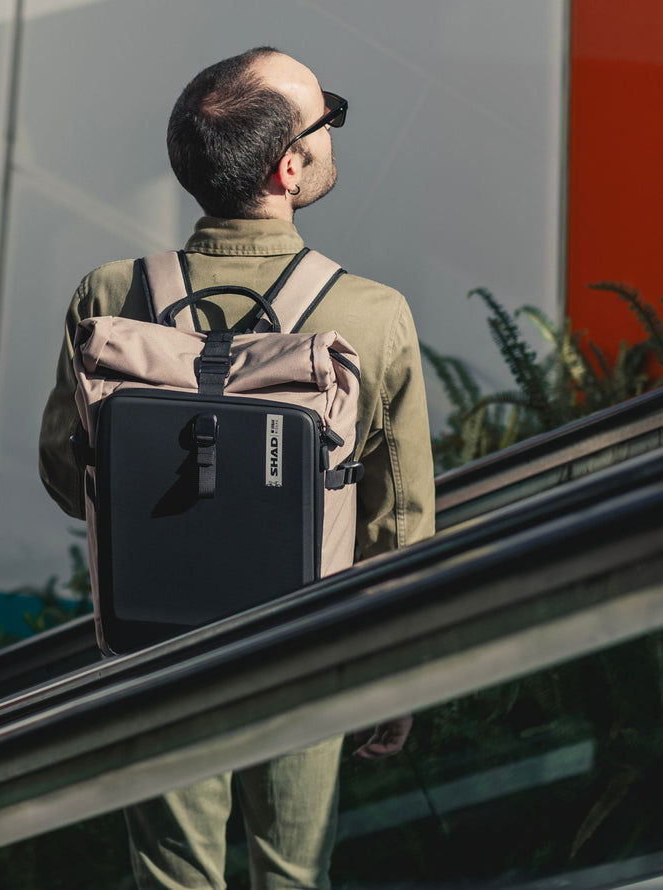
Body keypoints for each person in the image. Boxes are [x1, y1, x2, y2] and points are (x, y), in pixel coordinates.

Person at [40, 46, 434, 890]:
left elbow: (66, 478)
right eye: (326, 114)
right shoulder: (370, 314)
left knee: (174, 878)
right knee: (293, 876)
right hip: (305, 647)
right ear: (289, 168)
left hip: (152, 646)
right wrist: (395, 671)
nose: (335, 126)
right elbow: (397, 525)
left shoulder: (107, 297)